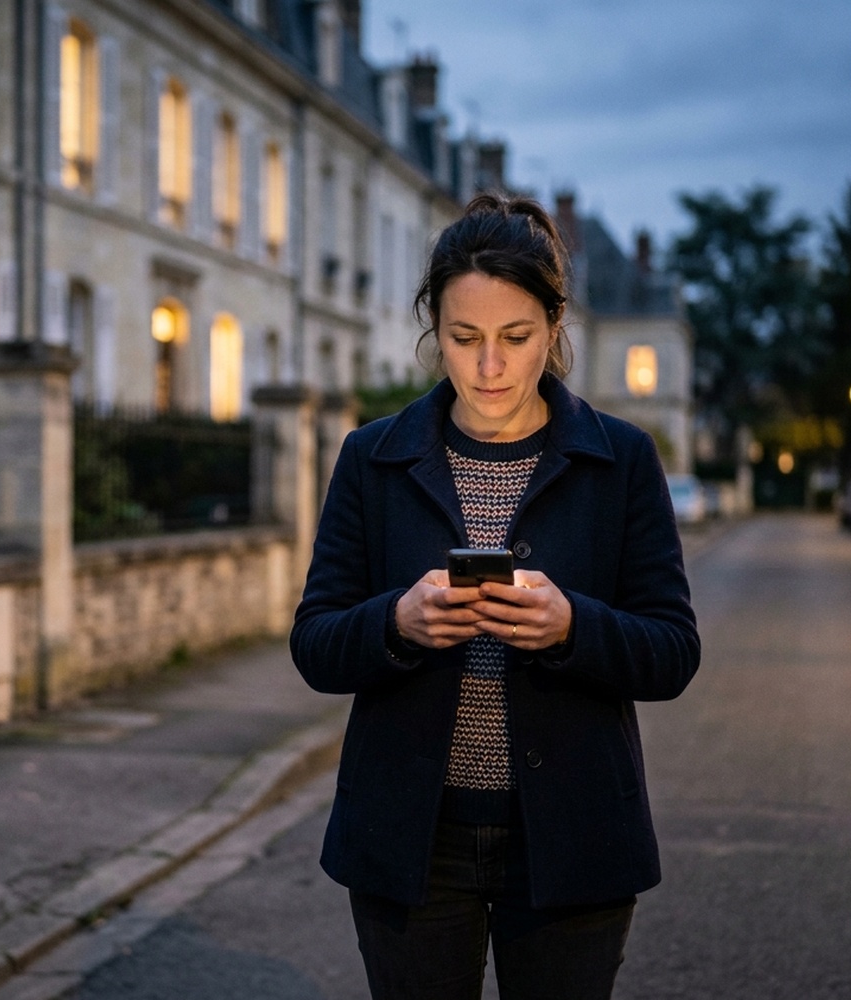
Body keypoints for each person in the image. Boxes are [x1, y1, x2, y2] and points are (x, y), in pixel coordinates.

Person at [290, 193, 700, 1000]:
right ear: (432, 329)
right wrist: (397, 624)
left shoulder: (622, 460)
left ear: (554, 329)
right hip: (410, 837)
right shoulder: (372, 457)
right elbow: (316, 642)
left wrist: (571, 625)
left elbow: (673, 651)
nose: (489, 367)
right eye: (463, 338)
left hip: (573, 836)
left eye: (515, 338)